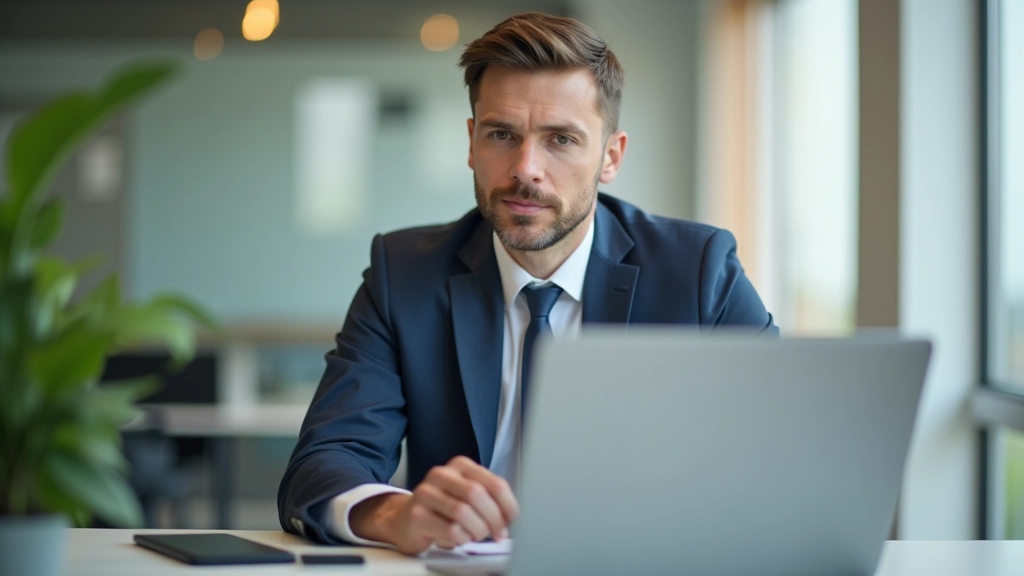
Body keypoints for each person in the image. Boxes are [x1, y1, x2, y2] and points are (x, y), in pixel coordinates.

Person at [277, 11, 777, 555]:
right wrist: (397, 513)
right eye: (501, 134)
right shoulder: (406, 274)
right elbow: (323, 463)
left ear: (611, 156)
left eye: (561, 139)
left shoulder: (698, 271)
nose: (526, 168)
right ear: (472, 142)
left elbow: (781, 451)